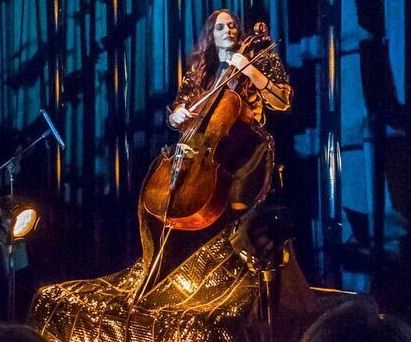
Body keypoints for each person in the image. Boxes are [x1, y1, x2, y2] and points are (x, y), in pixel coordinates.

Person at [29, 9, 316, 341]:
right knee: (161, 197)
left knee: (236, 205)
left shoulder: (258, 58)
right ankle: (162, 273)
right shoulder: (200, 72)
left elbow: (282, 101)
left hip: (247, 149)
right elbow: (178, 115)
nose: (229, 30)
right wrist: (177, 116)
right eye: (220, 26)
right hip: (203, 152)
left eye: (232, 25)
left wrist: (249, 70)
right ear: (211, 34)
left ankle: (239, 280)